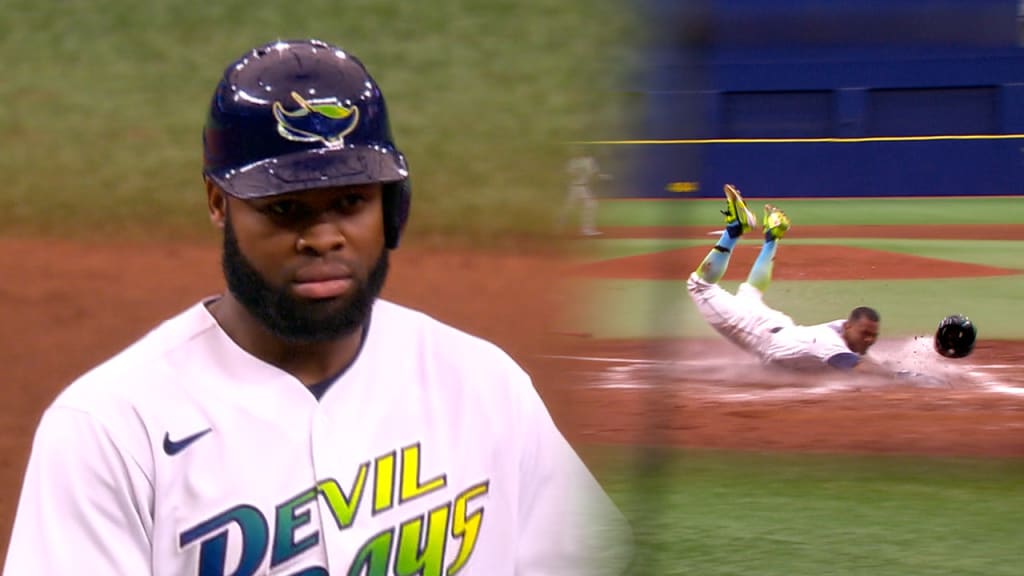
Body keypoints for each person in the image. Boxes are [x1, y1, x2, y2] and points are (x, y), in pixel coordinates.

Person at [4, 39, 630, 575]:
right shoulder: (112, 427)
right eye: (285, 209)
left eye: (350, 202)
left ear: (390, 206)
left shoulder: (481, 384)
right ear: (218, 203)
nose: (323, 237)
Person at [687, 183, 909, 376]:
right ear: (849, 326)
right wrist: (900, 376)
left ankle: (772, 237)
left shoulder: (843, 330)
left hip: (777, 327)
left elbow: (861, 358)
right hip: (759, 333)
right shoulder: (827, 342)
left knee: (751, 292)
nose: (869, 340)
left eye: (873, 335)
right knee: (699, 286)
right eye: (865, 334)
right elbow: (857, 366)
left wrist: (888, 366)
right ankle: (735, 230)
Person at [558, 149, 609, 237]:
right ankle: (558, 226)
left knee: (591, 205)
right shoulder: (573, 161)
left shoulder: (589, 160)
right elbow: (568, 174)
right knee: (568, 208)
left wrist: (603, 176)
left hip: (583, 188)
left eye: (581, 150)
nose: (579, 152)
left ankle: (586, 230)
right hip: (574, 187)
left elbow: (595, 173)